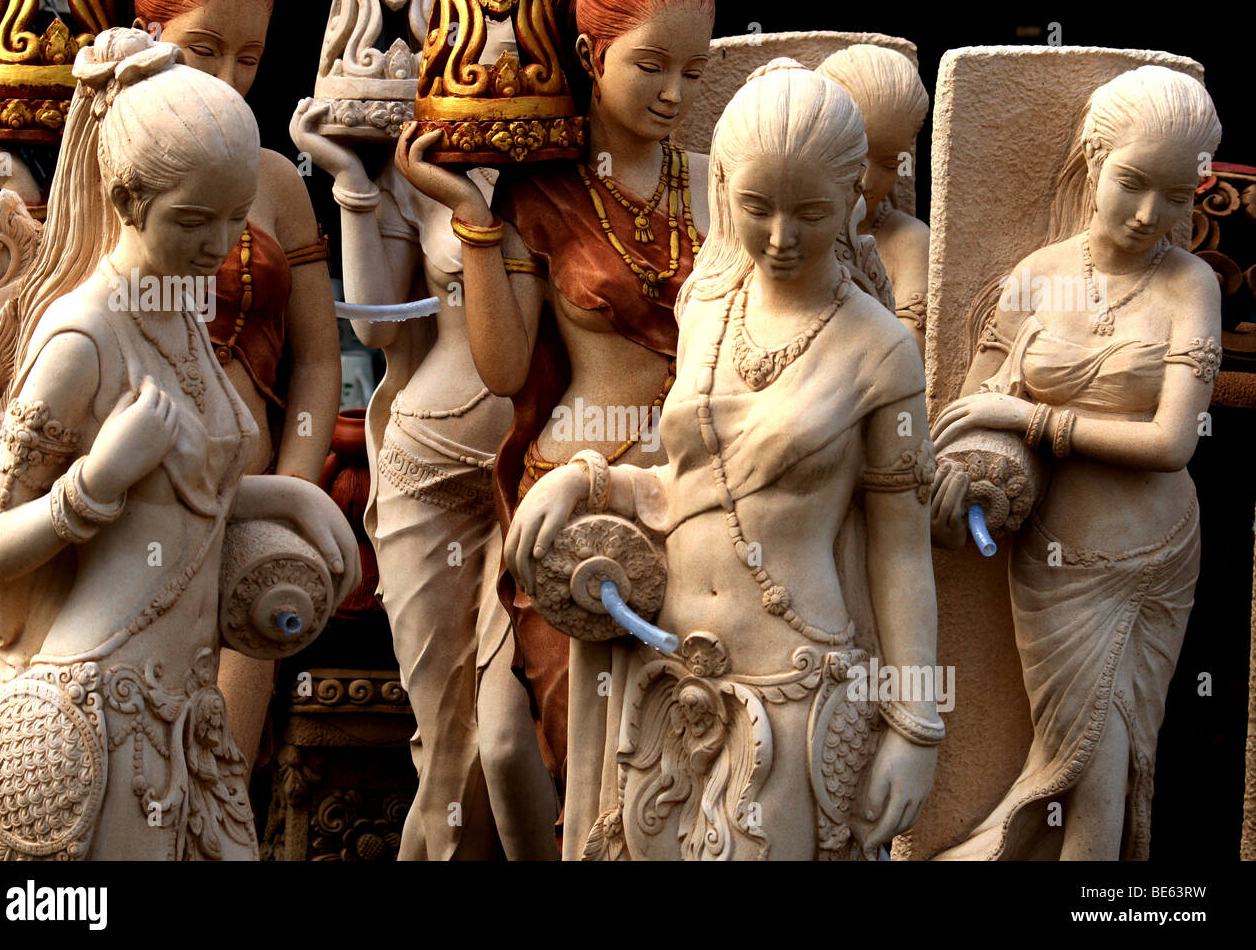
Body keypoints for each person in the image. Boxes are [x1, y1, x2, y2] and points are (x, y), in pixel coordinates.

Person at [507, 60, 939, 859]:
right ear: (725, 189)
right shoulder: (706, 306)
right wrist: (585, 477)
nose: (780, 238)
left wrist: (916, 724)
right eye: (757, 208)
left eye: (810, 212)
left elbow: (902, 551)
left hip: (791, 682)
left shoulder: (882, 351)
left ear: (851, 199)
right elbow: (688, 488)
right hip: (667, 667)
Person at [0, 28, 356, 861]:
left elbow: (183, 498)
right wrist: (94, 481)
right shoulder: (82, 340)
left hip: (185, 711)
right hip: (96, 711)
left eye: (236, 217)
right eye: (193, 221)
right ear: (129, 199)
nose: (219, 246)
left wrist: (291, 495)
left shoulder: (177, 310)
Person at [395, 0, 716, 835]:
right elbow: (504, 370)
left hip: (686, 490)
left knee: (668, 745)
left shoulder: (719, 185)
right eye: (651, 65)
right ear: (587, 53)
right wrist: (470, 218)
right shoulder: (540, 199)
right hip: (564, 496)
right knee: (513, 748)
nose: (675, 92)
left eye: (694, 70)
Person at [930, 65, 1222, 860]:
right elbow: (972, 407)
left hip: (1156, 551)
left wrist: (1034, 415)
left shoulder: (1191, 284)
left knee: (1117, 756)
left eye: (1175, 195)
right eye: (1131, 182)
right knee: (1081, 757)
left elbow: (1171, 443)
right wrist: (968, 469)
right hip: (1058, 561)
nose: (1148, 214)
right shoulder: (1038, 278)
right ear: (1094, 160)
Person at [289, 18, 561, 858]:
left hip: (536, 476)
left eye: (517, 49)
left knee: (508, 739)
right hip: (422, 476)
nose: (497, 65)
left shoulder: (568, 181)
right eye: (482, 48)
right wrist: (352, 179)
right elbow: (373, 325)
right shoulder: (423, 168)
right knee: (444, 741)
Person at [818, 44, 930, 356]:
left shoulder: (909, 241)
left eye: (889, 164)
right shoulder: (786, 231)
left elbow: (909, 357)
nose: (866, 179)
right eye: (851, 155)